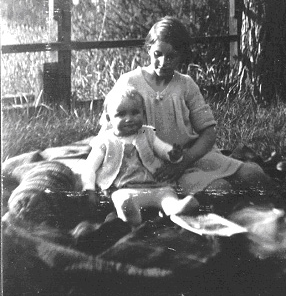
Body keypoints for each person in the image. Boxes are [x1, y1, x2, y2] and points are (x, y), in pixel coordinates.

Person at [100, 16, 275, 196]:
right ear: (149, 49)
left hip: (193, 157)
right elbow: (109, 130)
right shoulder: (130, 82)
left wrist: (186, 160)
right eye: (157, 54)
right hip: (155, 165)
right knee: (222, 191)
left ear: (181, 56)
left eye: (171, 56)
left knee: (255, 174)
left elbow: (208, 132)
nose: (163, 62)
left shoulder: (185, 84)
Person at [81, 86, 199, 226]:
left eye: (135, 113)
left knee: (167, 195)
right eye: (121, 114)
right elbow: (89, 167)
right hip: (125, 188)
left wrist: (172, 154)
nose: (129, 119)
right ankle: (132, 217)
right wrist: (89, 189)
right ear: (109, 118)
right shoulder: (105, 140)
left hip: (155, 185)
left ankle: (176, 208)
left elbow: (162, 149)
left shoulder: (147, 133)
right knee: (121, 198)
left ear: (143, 114)